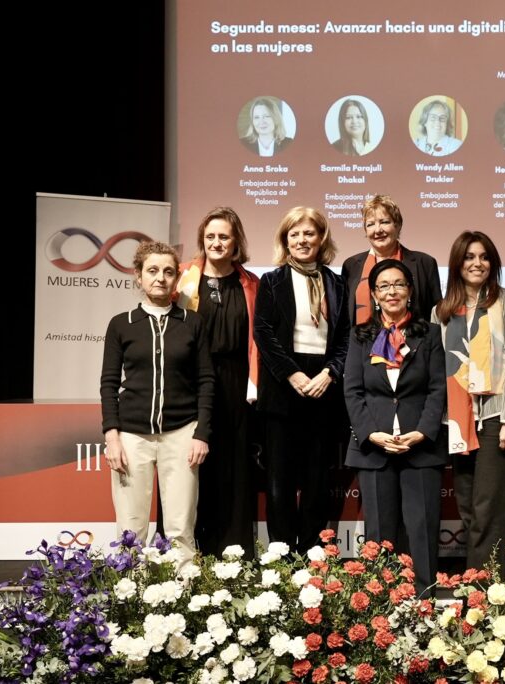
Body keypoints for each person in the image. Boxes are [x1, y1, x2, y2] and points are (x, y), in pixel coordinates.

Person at [100, 241, 213, 562]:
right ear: (138, 276)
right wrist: (112, 436)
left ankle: (185, 605)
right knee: (130, 531)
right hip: (131, 436)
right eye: (152, 271)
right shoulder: (121, 324)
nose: (160, 278)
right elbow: (108, 383)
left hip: (182, 434)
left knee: (180, 529)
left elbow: (206, 380)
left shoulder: (193, 323)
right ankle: (129, 603)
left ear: (176, 279)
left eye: (167, 271)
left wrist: (201, 433)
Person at [344, 259, 446, 594]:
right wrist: (371, 433)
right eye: (384, 286)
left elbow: (437, 388)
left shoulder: (429, 334)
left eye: (399, 284)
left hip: (421, 447)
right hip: (376, 448)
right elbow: (353, 390)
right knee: (379, 535)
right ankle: (380, 612)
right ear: (373, 294)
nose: (392, 292)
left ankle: (426, 603)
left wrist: (422, 432)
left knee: (423, 531)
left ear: (410, 291)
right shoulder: (360, 336)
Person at [432, 231, 505, 574]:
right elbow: (436, 372)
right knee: (468, 509)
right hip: (456, 421)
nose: (477, 263)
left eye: (484, 257)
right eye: (469, 257)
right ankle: (489, 585)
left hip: (496, 417)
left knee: (487, 510)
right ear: (458, 264)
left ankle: (482, 597)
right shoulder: (441, 311)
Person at [253, 207, 349, 552]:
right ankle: (281, 553)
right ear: (285, 240)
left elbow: (345, 337)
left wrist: (329, 373)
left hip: (324, 386)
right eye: (294, 234)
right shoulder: (271, 281)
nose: (302, 240)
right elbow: (263, 333)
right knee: (279, 480)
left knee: (317, 479)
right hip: (283, 388)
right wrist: (292, 373)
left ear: (321, 238)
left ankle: (311, 550)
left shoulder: (337, 283)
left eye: (308, 233)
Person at [176, 207, 259, 556]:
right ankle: (189, 552)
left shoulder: (252, 283)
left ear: (236, 240)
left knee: (235, 469)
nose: (217, 242)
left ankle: (234, 552)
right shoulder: (182, 279)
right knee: (192, 468)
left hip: (238, 384)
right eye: (210, 236)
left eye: (224, 236)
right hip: (191, 383)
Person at [342, 194, 442, 325]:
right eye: (370, 224)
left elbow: (436, 315)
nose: (377, 230)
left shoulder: (425, 263)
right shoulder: (351, 265)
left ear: (398, 225)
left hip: (412, 342)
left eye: (384, 222)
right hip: (361, 342)